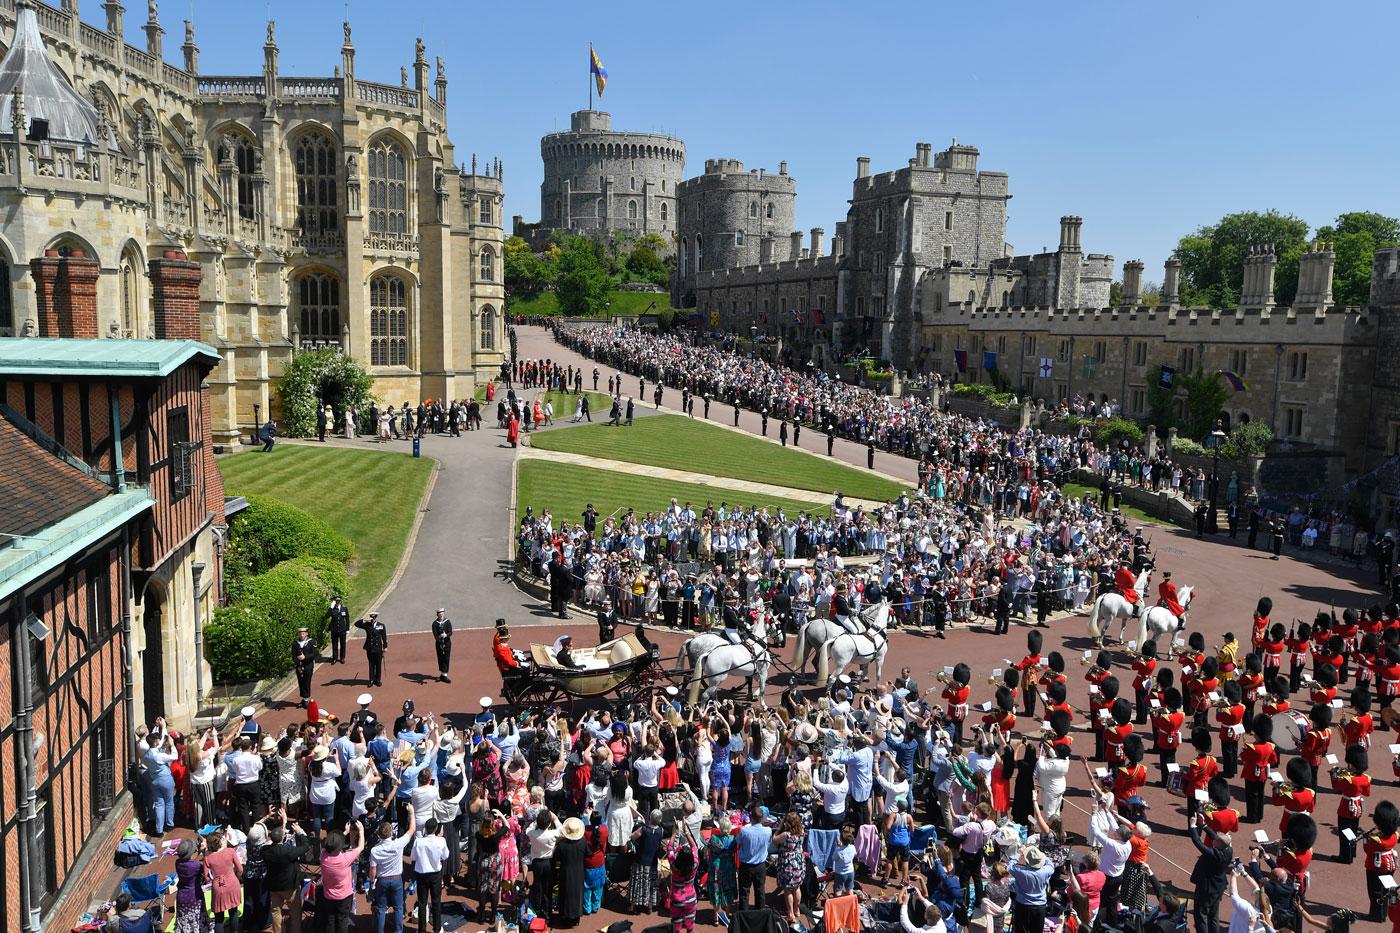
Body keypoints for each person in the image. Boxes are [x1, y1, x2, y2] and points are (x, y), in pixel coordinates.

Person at [264, 821, 312, 933]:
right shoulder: (289, 851)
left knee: (276, 912)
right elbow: (306, 846)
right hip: (290, 887)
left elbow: (268, 844)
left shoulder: (265, 851)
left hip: (274, 887)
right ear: (282, 838)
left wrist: (281, 837)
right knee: (295, 913)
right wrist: (301, 833)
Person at [1188, 817, 1233, 933]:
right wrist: (1204, 826)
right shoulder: (1228, 850)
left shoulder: (1214, 854)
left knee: (1200, 915)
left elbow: (1197, 842)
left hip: (1207, 888)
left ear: (1217, 844)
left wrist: (1193, 826)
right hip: (1218, 886)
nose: (1213, 840)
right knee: (1213, 914)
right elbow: (1217, 839)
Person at [412, 819, 450, 933]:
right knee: (436, 901)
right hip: (435, 875)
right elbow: (446, 856)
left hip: (421, 874)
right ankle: (437, 929)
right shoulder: (441, 840)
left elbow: (413, 857)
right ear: (436, 829)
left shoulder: (418, 841)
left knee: (422, 902)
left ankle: (422, 930)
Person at [204, 830, 244, 933]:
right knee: (233, 912)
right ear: (220, 842)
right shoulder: (230, 851)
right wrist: (235, 877)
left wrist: (214, 879)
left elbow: (207, 877)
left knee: (219, 918)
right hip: (233, 884)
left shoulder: (207, 858)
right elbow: (240, 869)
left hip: (218, 888)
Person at [1008, 845, 1054, 933]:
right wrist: (1043, 855)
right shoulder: (1046, 871)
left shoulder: (1021, 872)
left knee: (1021, 930)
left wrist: (1018, 854)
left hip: (1022, 905)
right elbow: (1051, 865)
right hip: (1040, 906)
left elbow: (1010, 866)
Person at [737, 805, 772, 910]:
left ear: (751, 818)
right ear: (761, 818)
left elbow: (737, 842)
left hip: (746, 866)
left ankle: (744, 914)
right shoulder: (768, 831)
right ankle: (760, 914)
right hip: (760, 867)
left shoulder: (744, 831)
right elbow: (769, 844)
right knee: (760, 891)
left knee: (744, 891)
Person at [555, 817, 588, 927]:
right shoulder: (583, 841)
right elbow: (589, 854)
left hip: (565, 871)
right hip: (579, 871)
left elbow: (556, 857)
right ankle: (576, 917)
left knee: (565, 893)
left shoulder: (562, 844)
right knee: (577, 894)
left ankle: (565, 916)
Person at [173, 838, 206, 933]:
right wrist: (203, 852)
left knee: (184, 921)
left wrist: (197, 851)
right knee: (197, 920)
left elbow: (190, 860)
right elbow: (206, 868)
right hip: (194, 896)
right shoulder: (196, 866)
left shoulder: (178, 863)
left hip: (181, 897)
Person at [355, 611, 389, 687]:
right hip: (370, 648)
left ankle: (378, 680)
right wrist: (364, 620)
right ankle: (371, 680)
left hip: (378, 648)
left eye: (374, 617)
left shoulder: (381, 625)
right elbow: (356, 624)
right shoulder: (367, 625)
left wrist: (385, 647)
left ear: (377, 617)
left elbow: (384, 637)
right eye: (372, 617)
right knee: (371, 664)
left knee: (378, 664)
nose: (373, 619)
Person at [292, 625, 317, 709]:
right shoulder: (295, 643)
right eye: (300, 633)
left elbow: (314, 654)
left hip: (308, 666)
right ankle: (304, 699)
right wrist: (298, 664)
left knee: (306, 682)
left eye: (303, 633)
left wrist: (305, 657)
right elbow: (294, 656)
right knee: (301, 682)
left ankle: (306, 699)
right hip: (299, 666)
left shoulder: (311, 642)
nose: (301, 635)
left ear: (306, 633)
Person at [431, 608, 452, 683]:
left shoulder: (447, 622)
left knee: (446, 658)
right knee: (440, 658)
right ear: (437, 615)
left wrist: (446, 635)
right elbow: (435, 635)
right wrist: (440, 640)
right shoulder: (435, 624)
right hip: (439, 644)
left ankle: (445, 675)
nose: (441, 616)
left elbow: (450, 632)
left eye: (442, 614)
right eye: (440, 614)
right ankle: (442, 674)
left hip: (447, 643)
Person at [326, 595, 349, 664]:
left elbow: (347, 619)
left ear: (340, 601)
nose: (337, 602)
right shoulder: (332, 609)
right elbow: (327, 616)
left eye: (339, 601)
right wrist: (331, 607)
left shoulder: (344, 608)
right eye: (336, 601)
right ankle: (334, 658)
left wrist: (347, 629)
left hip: (342, 629)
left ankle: (342, 658)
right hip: (334, 630)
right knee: (334, 644)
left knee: (343, 644)